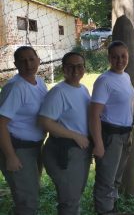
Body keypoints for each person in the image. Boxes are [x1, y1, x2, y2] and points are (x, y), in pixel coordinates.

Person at [38, 52, 91, 215]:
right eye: (70, 66)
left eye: (79, 66)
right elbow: (44, 122)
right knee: (69, 200)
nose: (75, 70)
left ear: (84, 68)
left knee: (74, 196)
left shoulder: (83, 89)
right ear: (63, 69)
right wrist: (76, 136)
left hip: (80, 150)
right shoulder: (58, 92)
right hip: (65, 151)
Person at [89, 41, 134, 214]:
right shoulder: (104, 81)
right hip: (110, 136)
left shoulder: (125, 76)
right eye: (115, 57)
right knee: (105, 181)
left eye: (123, 56)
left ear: (128, 56)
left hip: (125, 135)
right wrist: (98, 144)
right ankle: (105, 211)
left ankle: (112, 208)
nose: (120, 60)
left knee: (116, 179)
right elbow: (94, 114)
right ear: (109, 58)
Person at [0, 46, 47, 215]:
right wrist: (11, 156)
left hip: (35, 147)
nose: (28, 64)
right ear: (15, 64)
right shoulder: (15, 88)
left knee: (31, 191)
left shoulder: (39, 82)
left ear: (38, 60)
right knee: (27, 200)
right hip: (18, 149)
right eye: (23, 60)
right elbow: (1, 124)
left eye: (31, 59)